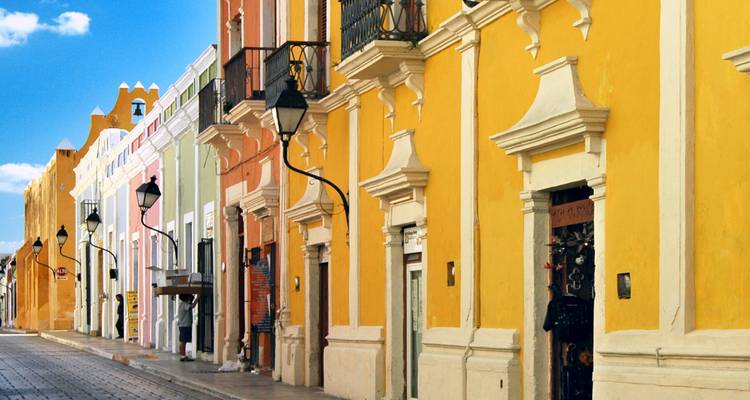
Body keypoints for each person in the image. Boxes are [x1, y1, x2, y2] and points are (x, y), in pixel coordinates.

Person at [178, 294, 199, 361]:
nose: (191, 300)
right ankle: (183, 356)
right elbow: (193, 306)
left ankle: (183, 355)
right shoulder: (184, 304)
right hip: (185, 325)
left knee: (183, 341)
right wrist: (197, 298)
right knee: (183, 341)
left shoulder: (183, 304)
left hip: (184, 325)